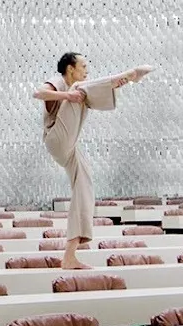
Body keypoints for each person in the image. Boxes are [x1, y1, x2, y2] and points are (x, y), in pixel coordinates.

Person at [36, 53, 153, 269]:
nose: (86, 69)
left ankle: (70, 256)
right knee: (79, 90)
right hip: (56, 138)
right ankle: (128, 76)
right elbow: (38, 93)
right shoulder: (59, 82)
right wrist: (67, 96)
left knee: (85, 186)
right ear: (70, 68)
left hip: (69, 146)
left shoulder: (78, 87)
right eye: (83, 66)